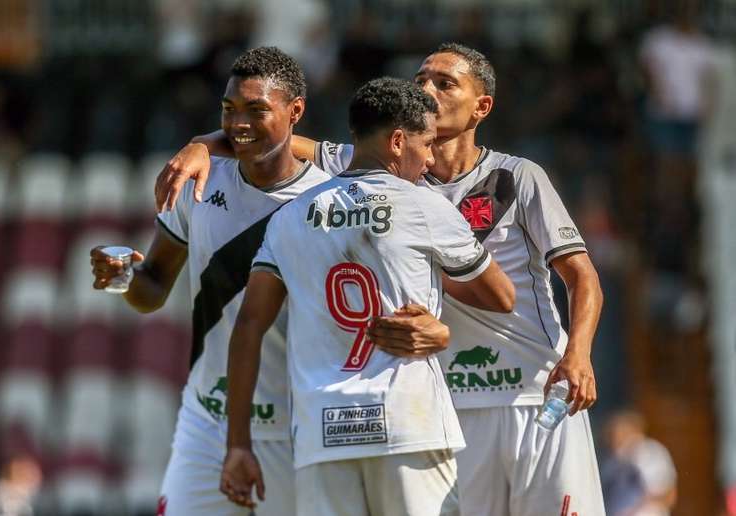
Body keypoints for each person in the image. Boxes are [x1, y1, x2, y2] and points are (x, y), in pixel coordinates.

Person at [157, 42, 606, 515]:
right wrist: (201, 145)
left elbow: (581, 277)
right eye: (421, 80)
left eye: (444, 82)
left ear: (482, 107)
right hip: (451, 403)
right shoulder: (382, 168)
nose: (427, 89)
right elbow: (272, 136)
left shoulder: (518, 176)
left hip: (533, 393)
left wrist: (578, 353)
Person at [219, 76, 515, 516]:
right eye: (427, 143)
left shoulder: (290, 217)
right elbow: (502, 296)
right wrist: (439, 326)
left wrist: (238, 444)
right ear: (398, 141)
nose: (431, 158)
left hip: (323, 433)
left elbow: (248, 326)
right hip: (407, 425)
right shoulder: (425, 206)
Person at [90, 46, 330, 516]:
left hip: (298, 428)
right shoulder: (200, 186)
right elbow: (153, 287)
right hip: (208, 420)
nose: (238, 124)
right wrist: (123, 279)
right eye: (228, 110)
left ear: (295, 111)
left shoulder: (332, 198)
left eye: (256, 110)